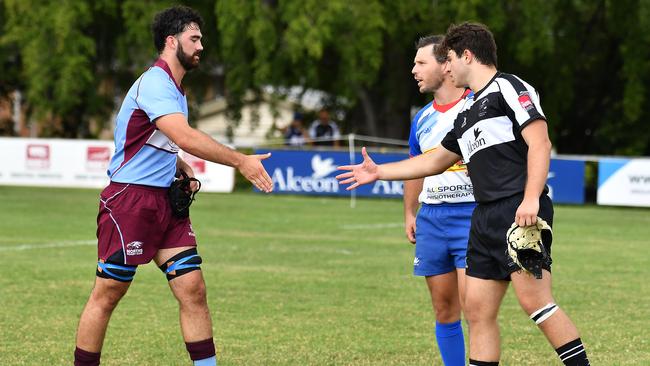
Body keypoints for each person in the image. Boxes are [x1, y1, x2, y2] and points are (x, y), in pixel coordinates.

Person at [337, 22, 590, 366]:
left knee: (537, 303)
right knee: (476, 313)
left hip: (518, 211)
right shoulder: (467, 113)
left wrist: (531, 198)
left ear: (467, 56)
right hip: (483, 218)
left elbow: (540, 143)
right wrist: (380, 172)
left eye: (450, 59)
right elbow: (435, 161)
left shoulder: (509, 87)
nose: (447, 66)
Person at [73, 6, 273, 366]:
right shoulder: (155, 83)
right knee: (108, 293)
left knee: (192, 289)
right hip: (130, 202)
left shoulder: (176, 90)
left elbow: (162, 140)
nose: (201, 47)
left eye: (201, 40)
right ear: (171, 40)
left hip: (164, 203)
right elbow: (184, 135)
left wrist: (178, 165)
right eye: (194, 39)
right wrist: (241, 160)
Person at [406, 35, 475, 366]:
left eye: (421, 63)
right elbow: (415, 168)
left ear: (446, 65)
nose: (414, 70)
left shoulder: (479, 105)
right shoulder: (421, 119)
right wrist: (410, 213)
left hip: (473, 217)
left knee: (475, 307)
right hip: (432, 218)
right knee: (444, 308)